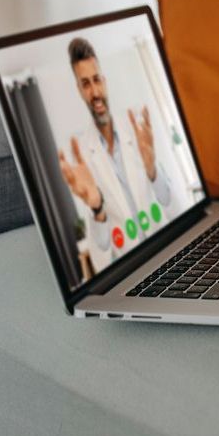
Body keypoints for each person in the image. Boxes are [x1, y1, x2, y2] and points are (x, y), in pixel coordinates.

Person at [57, 37, 178, 268]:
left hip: (168, 251)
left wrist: (153, 170)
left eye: (96, 80)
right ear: (79, 90)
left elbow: (174, 207)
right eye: (85, 84)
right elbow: (101, 256)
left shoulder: (137, 129)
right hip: (131, 269)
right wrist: (96, 209)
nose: (94, 92)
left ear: (104, 81)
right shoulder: (83, 153)